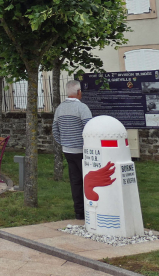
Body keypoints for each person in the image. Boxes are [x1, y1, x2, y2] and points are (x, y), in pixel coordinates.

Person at [52, 79, 93, 220]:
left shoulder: (60, 108)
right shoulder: (82, 108)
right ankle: (90, 209)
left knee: (75, 181)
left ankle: (79, 212)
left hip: (67, 150)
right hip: (82, 151)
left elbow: (55, 129)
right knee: (88, 180)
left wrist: (63, 142)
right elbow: (89, 130)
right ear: (79, 92)